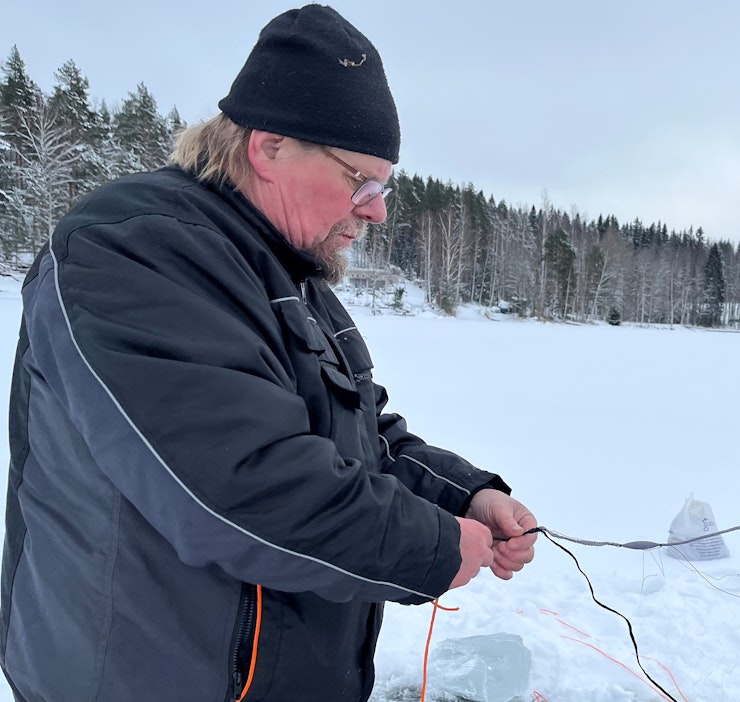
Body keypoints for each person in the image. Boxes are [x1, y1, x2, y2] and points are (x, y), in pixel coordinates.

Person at [0, 5, 538, 701]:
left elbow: (362, 436)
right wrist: (434, 546)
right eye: (360, 181)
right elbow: (239, 486)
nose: (376, 210)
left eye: (385, 188)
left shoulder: (287, 273)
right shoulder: (130, 252)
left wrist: (466, 492)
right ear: (270, 147)